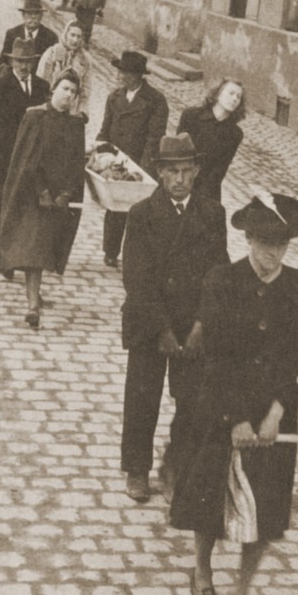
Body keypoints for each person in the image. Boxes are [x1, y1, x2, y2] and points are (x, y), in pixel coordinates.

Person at [170, 192, 298, 595]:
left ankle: (242, 592)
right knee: (210, 500)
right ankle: (201, 571)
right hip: (222, 404)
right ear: (249, 238)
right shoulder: (221, 281)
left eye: (282, 245)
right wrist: (235, 419)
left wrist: (276, 411)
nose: (273, 255)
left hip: (272, 410)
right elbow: (216, 357)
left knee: (267, 508)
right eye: (266, 243)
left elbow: (293, 353)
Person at [120, 133, 228, 503]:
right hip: (150, 322)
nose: (180, 179)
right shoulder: (141, 215)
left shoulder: (213, 214)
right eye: (172, 172)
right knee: (142, 397)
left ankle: (175, 466)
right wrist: (161, 329)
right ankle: (137, 469)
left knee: (193, 400)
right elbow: (136, 278)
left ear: (197, 171)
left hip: (194, 323)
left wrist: (201, 324)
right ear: (160, 173)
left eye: (186, 170)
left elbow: (218, 274)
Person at [0, 70, 86, 328]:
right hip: (32, 195)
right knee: (34, 250)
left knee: (46, 248)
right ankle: (32, 306)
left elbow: (75, 162)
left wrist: (66, 193)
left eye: (73, 92)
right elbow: (26, 158)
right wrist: (42, 192)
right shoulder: (35, 116)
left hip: (59, 197)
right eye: (65, 89)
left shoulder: (76, 123)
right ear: (54, 89)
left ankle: (34, 293)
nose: (68, 95)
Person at [0, 39, 50, 276]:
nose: (24, 67)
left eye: (28, 62)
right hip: (3, 157)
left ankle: (20, 256)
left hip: (32, 158)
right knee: (2, 209)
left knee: (25, 210)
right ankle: (4, 258)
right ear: (12, 61)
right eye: (19, 62)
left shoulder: (41, 87)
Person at [97, 50, 169, 268]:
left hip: (140, 164)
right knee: (115, 208)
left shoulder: (155, 101)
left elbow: (154, 138)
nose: (120, 76)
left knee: (139, 212)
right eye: (120, 72)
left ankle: (136, 255)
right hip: (117, 164)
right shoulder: (114, 97)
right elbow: (105, 131)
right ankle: (110, 251)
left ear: (138, 75)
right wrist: (101, 154)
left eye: (126, 73)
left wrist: (142, 170)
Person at [176, 78, 246, 205]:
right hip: (178, 180)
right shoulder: (191, 116)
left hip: (207, 190)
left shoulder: (235, 134)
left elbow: (219, 170)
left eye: (238, 97)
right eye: (231, 93)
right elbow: (176, 153)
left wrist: (198, 197)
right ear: (218, 93)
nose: (235, 99)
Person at [37, 21, 92, 120]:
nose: (75, 40)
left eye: (79, 36)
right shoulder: (52, 52)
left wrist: (82, 112)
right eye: (72, 35)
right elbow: (41, 82)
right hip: (50, 106)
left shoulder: (85, 60)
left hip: (71, 110)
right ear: (66, 34)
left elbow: (85, 90)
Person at [0, 0, 59, 73]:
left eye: (36, 13)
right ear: (23, 15)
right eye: (29, 13)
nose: (33, 17)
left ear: (41, 16)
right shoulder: (12, 34)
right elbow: (3, 62)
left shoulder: (51, 37)